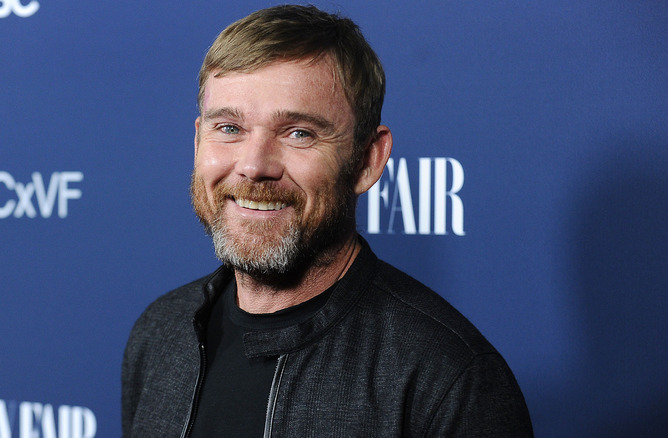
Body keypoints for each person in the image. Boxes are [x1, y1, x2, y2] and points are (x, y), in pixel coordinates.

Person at [122, 4, 533, 437]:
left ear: (367, 160)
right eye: (229, 128)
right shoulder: (160, 334)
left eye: (299, 133)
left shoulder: (449, 379)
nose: (254, 165)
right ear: (197, 140)